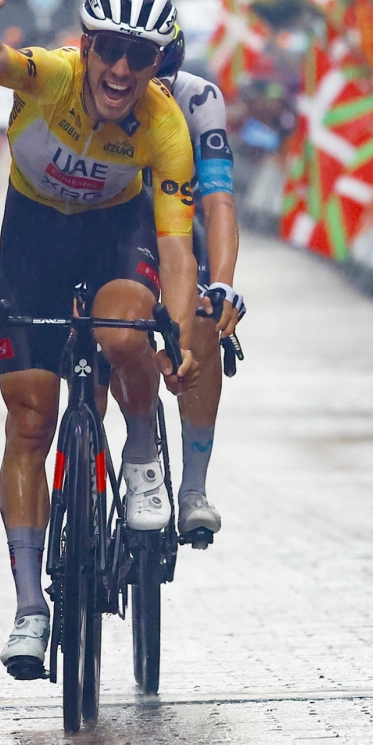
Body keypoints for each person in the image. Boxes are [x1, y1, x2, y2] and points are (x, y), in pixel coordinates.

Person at [0, 0, 200, 681]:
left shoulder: (162, 126)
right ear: (87, 47)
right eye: (112, 50)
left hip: (111, 240)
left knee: (125, 338)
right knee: (30, 422)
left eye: (142, 55)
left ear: (158, 64)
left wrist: (178, 333)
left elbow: (176, 247)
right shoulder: (53, 75)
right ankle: (31, 608)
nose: (123, 68)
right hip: (31, 239)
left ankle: (144, 455)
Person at [156, 50, 245, 539]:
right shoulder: (100, 91)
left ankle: (193, 487)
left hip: (181, 229)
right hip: (119, 224)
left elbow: (219, 201)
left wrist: (224, 283)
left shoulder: (199, 98)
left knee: (206, 317)